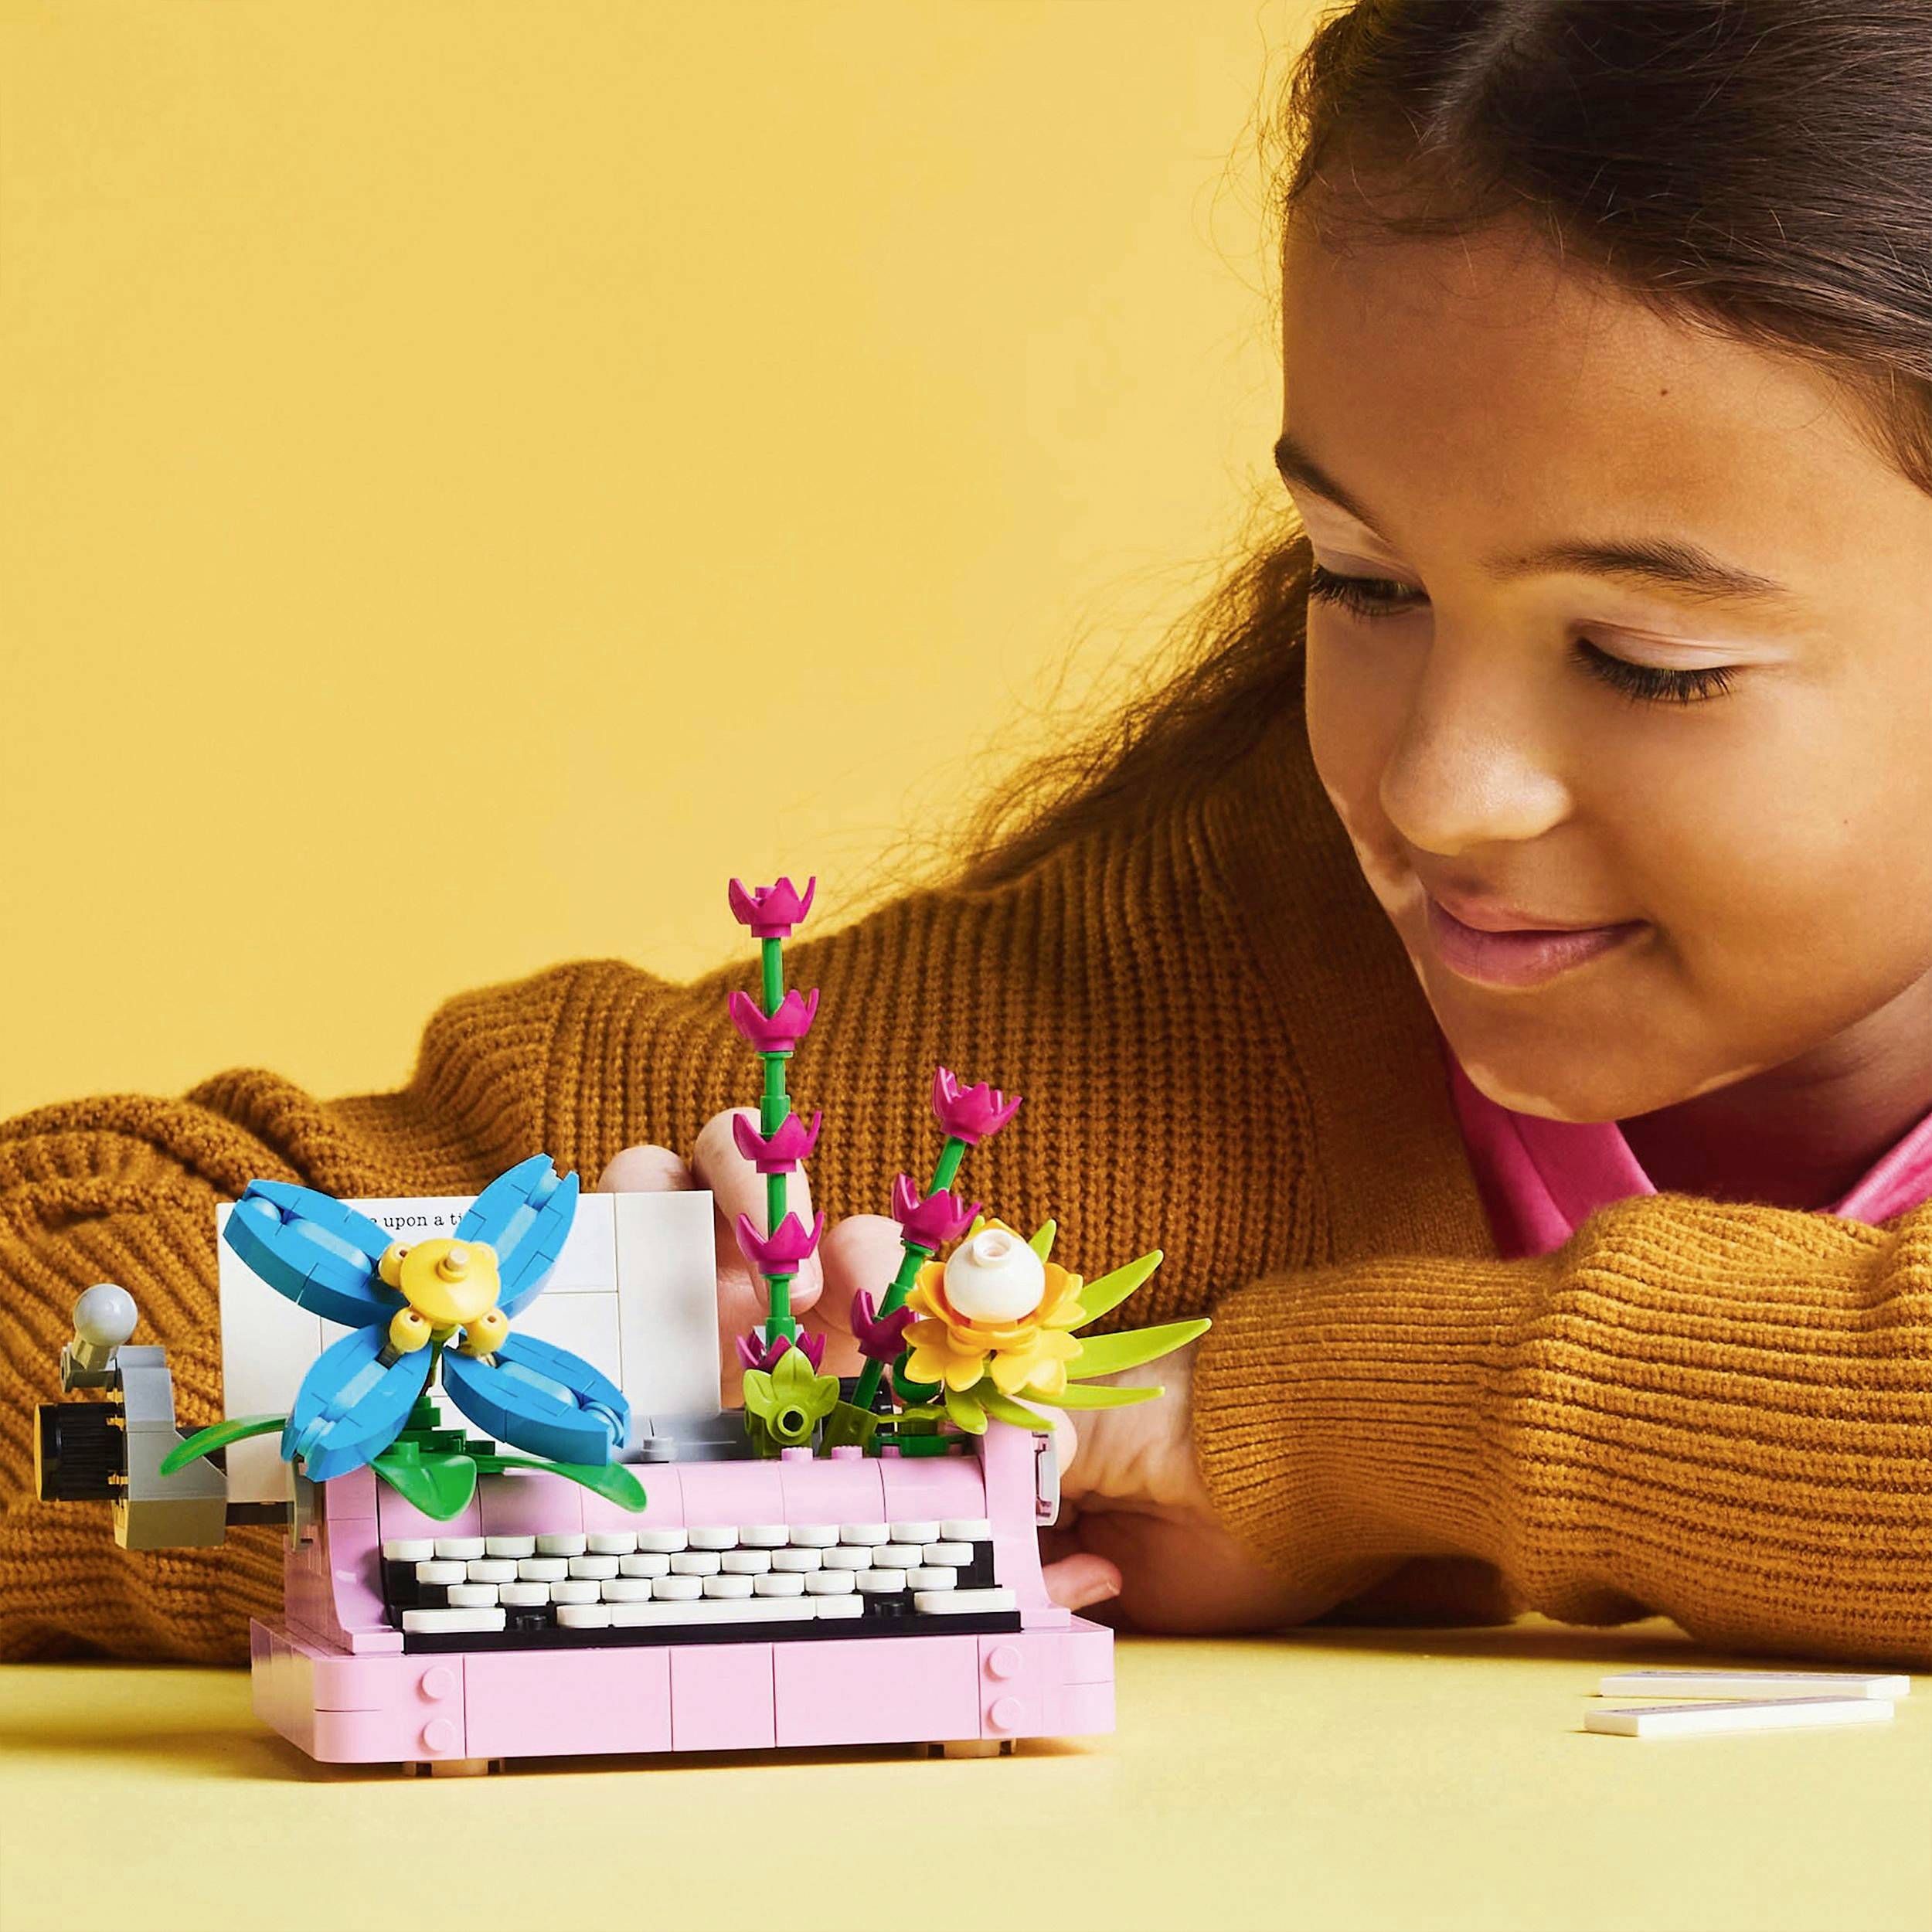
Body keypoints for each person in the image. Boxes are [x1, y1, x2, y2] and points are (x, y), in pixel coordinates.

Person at [2, 0, 1927, 1667]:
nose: (1435, 791)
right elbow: (53, 1339)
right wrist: (526, 1429)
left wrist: (1290, 1422)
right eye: (1359, 582)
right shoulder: (1057, 1105)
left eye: (1642, 657)